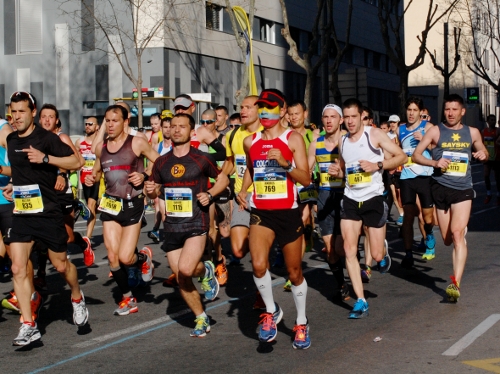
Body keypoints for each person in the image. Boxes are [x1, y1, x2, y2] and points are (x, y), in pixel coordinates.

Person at [3, 91, 88, 346]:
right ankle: (29, 325)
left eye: (21, 112)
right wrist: (12, 184)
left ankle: (76, 296)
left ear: (33, 112)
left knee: (61, 266)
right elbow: (19, 170)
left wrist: (46, 159)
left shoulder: (47, 139)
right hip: (23, 213)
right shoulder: (10, 139)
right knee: (18, 267)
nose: (16, 117)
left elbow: (77, 161)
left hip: (48, 213)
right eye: (13, 112)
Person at [237, 88, 312, 349]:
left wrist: (286, 164)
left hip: (288, 212)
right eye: (262, 107)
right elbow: (250, 167)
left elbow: (306, 178)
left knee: (294, 272)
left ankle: (301, 322)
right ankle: (271, 311)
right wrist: (243, 189)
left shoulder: (293, 140)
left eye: (271, 107)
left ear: (282, 111)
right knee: (258, 264)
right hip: (262, 212)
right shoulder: (250, 141)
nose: (265, 112)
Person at [145, 113, 228, 337]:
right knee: (182, 277)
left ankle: (202, 272)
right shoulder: (162, 161)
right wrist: (150, 190)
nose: (177, 130)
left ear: (192, 132)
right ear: (168, 130)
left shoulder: (202, 158)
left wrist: (210, 194)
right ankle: (201, 316)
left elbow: (224, 179)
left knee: (185, 269)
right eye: (173, 126)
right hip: (171, 225)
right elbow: (152, 187)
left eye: (182, 126)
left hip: (195, 222)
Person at [329, 98, 407, 319]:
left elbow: (401, 156)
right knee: (349, 250)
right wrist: (339, 173)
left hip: (373, 198)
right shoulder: (342, 142)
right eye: (348, 118)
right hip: (351, 199)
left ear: (361, 116)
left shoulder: (374, 135)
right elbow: (347, 170)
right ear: (343, 119)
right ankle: (361, 300)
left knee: (375, 253)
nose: (351, 121)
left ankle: (381, 251)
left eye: (355, 117)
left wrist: (378, 165)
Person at [412, 94, 488, 302]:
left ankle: (456, 283)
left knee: (456, 234)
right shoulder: (435, 131)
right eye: (447, 109)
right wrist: (435, 164)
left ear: (462, 111)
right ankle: (457, 233)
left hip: (463, 189)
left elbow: (482, 150)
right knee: (446, 239)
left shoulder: (472, 132)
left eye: (455, 109)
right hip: (440, 188)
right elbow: (416, 155)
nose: (451, 113)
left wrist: (483, 154)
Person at [85, 104, 159, 315]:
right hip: (110, 204)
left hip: (133, 204)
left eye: (115, 120)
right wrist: (93, 177)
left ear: (126, 122)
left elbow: (160, 161)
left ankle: (143, 259)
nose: (110, 124)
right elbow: (97, 172)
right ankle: (128, 298)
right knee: (112, 256)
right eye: (107, 120)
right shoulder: (102, 148)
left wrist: (145, 176)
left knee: (127, 258)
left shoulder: (137, 143)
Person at [307, 104, 349, 301]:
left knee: (341, 248)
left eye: (333, 117)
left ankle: (355, 267)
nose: (329, 120)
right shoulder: (316, 144)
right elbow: (307, 170)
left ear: (341, 120)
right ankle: (341, 284)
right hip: (324, 197)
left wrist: (343, 172)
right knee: (330, 248)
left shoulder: (348, 141)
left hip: (345, 196)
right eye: (325, 117)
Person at [396, 97, 436, 269]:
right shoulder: (400, 129)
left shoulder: (428, 128)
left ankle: (430, 233)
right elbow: (398, 150)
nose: (411, 113)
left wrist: (425, 142)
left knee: (427, 217)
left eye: (414, 110)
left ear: (421, 112)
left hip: (425, 175)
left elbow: (437, 148)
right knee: (408, 215)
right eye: (409, 110)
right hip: (406, 177)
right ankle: (408, 253)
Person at [74, 116, 100, 252]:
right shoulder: (80, 142)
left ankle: (88, 238)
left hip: (96, 178)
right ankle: (81, 206)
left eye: (91, 124)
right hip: (84, 179)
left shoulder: (101, 142)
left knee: (92, 205)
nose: (87, 126)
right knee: (91, 209)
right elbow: (75, 159)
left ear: (97, 127)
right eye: (86, 124)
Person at [148, 116, 172, 244]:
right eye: (165, 127)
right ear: (161, 129)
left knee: (171, 211)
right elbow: (151, 166)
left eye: (170, 127)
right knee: (160, 208)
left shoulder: (178, 145)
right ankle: (161, 232)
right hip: (161, 183)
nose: (168, 130)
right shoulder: (157, 146)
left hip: (175, 184)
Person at [481, 114, 500, 204]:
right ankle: (488, 194)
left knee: (497, 178)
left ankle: (498, 195)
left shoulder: (497, 131)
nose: (493, 121)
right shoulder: (483, 131)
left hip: (496, 157)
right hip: (488, 157)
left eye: (494, 120)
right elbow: (480, 143)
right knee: (486, 175)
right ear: (487, 121)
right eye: (491, 120)